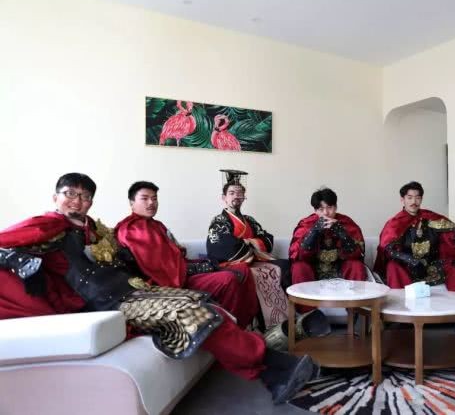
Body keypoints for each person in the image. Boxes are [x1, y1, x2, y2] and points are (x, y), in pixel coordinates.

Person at [0, 173, 315, 404]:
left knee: (203, 303)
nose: (76, 201)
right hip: (105, 303)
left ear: (91, 202)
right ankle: (273, 368)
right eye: (69, 194)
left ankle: (273, 369)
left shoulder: (94, 230)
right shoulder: (46, 224)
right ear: (55, 197)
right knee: (187, 313)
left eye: (84, 196)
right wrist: (23, 263)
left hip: (131, 290)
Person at [114, 181, 259, 328]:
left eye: (154, 198)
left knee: (243, 269)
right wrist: (198, 267)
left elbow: (176, 254)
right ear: (132, 202)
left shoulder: (157, 224)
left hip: (181, 271)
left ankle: (245, 322)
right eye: (145, 198)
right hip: (171, 281)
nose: (151, 202)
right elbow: (158, 267)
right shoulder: (131, 229)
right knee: (228, 279)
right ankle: (229, 328)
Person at [374, 181, 455, 339]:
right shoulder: (395, 223)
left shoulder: (430, 217)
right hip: (407, 268)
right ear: (402, 199)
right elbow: (387, 248)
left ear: (421, 199)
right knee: (392, 267)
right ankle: (401, 318)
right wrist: (410, 260)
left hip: (432, 266)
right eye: (409, 197)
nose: (414, 201)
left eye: (417, 197)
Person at [206, 170, 289, 329]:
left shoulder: (250, 220)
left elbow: (267, 239)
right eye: (232, 193)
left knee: (284, 265)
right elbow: (224, 246)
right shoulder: (219, 221)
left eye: (240, 193)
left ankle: (285, 319)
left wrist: (247, 241)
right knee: (253, 274)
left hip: (254, 260)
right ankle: (261, 323)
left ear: (244, 197)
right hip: (233, 263)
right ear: (224, 198)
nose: (236, 196)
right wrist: (252, 244)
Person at [288, 187, 368, 312]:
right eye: (321, 209)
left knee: (356, 266)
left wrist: (341, 232)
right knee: (299, 267)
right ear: (315, 210)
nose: (326, 213)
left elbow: (358, 253)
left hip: (340, 269)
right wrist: (314, 231)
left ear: (335, 207)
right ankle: (307, 315)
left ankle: (354, 312)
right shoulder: (306, 224)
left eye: (329, 207)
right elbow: (297, 255)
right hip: (314, 270)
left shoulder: (346, 223)